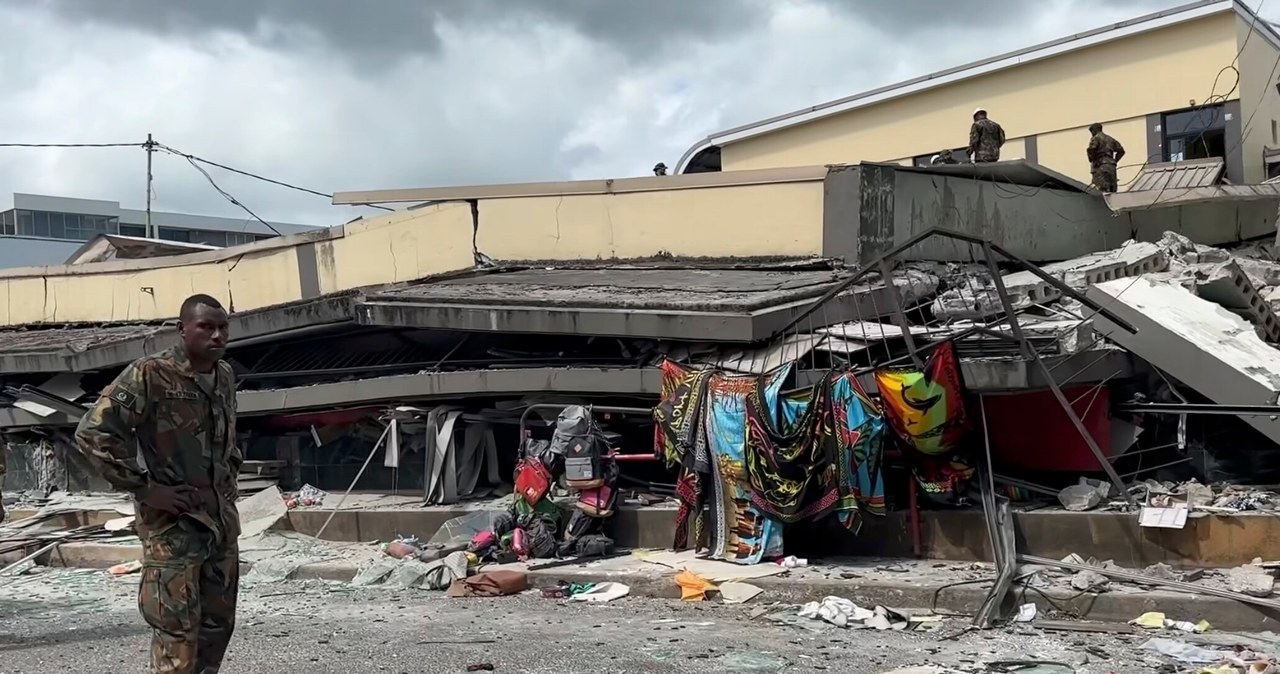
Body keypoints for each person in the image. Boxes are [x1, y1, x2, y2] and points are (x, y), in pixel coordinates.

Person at [76, 293, 241, 674]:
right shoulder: (151, 373)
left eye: (223, 328)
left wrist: (230, 475)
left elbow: (227, 437)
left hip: (219, 524)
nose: (217, 336)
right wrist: (144, 488)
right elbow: (93, 433)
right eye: (206, 327)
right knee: (177, 635)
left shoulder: (225, 375)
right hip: (174, 529)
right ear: (182, 329)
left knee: (217, 628)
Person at [1086, 122, 1126, 193]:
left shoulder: (1095, 138)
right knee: (1112, 189)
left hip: (1100, 166)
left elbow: (1091, 149)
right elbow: (1121, 151)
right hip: (1111, 166)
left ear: (1094, 130)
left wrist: (1092, 159)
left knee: (1101, 190)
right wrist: (1114, 160)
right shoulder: (1110, 139)